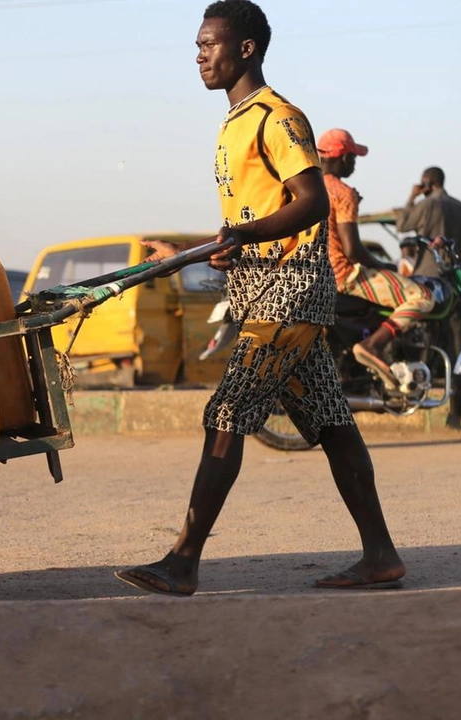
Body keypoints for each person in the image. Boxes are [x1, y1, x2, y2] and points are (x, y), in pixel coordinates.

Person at [115, 0, 404, 596]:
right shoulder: (234, 122)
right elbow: (255, 218)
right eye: (196, 46)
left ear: (245, 48)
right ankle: (381, 555)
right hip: (262, 289)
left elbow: (312, 201)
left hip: (289, 295)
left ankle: (183, 562)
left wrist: (244, 236)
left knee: (227, 413)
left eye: (209, 44)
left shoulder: (279, 117)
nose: (199, 56)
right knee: (331, 423)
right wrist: (206, 246)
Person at [318, 129, 434, 387]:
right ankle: (372, 345)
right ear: (344, 158)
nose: (355, 164)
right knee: (423, 297)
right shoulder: (343, 192)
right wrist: (384, 266)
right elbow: (352, 249)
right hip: (344, 276)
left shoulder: (307, 188)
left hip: (317, 274)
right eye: (354, 158)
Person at [395, 166, 461, 274]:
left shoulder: (426, 204)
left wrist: (412, 196)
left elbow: (401, 225)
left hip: (429, 271)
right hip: (454, 272)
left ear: (427, 183)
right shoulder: (460, 206)